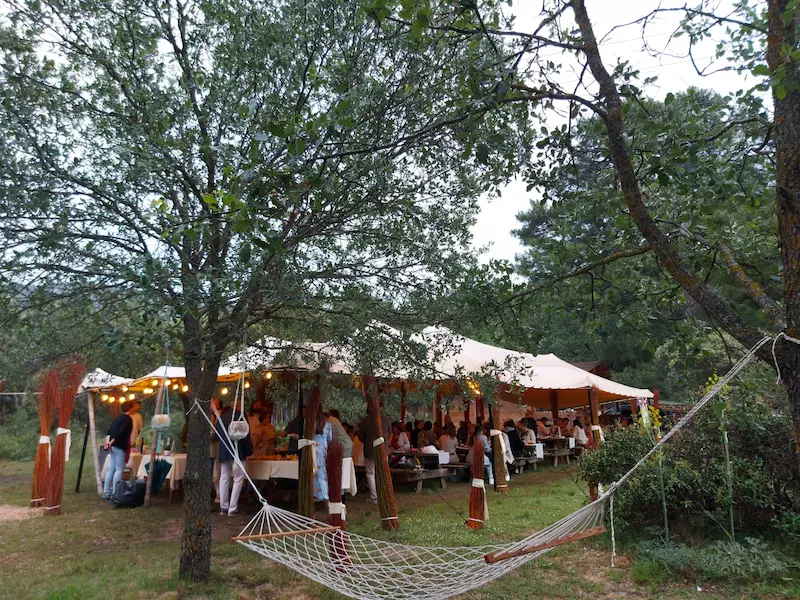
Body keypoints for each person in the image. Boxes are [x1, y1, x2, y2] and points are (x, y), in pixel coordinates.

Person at [214, 402, 253, 516]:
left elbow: (216, 435)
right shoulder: (241, 416)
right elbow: (246, 435)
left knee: (224, 478)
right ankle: (232, 507)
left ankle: (223, 506)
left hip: (224, 451)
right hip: (238, 452)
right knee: (238, 478)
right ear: (239, 406)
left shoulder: (222, 417)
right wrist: (249, 451)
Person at [102, 400, 138, 499]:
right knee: (119, 469)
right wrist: (112, 441)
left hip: (112, 446)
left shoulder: (116, 419)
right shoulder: (128, 419)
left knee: (111, 469)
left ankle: (106, 491)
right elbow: (121, 432)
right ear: (130, 408)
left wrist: (108, 442)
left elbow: (109, 431)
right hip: (119, 445)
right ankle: (115, 492)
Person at [358, 408, 391, 504]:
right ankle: (385, 495)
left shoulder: (366, 420)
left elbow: (360, 437)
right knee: (383, 473)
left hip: (370, 450)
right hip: (384, 449)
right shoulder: (386, 418)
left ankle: (374, 497)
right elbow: (389, 433)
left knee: (371, 473)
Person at [312, 409, 333, 502]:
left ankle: (316, 494)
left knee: (314, 471)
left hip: (313, 448)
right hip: (323, 449)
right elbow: (330, 439)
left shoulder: (311, 423)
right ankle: (324, 493)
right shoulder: (328, 424)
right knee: (323, 473)